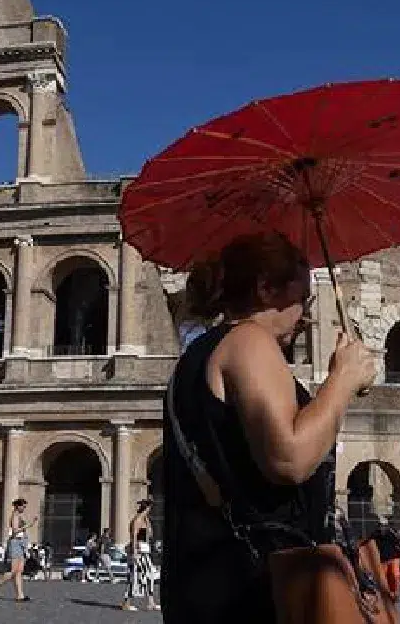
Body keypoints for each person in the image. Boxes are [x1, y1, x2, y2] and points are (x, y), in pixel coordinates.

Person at [161, 232, 376, 623]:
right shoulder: (249, 342)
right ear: (265, 288)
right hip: (260, 588)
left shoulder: (195, 358)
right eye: (301, 298)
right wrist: (341, 381)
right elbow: (289, 458)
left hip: (204, 587)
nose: (306, 313)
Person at [0, 498, 32, 602]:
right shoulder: (15, 515)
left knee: (19, 571)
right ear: (18, 506)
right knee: (12, 571)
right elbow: (15, 531)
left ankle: (20, 595)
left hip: (20, 544)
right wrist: (28, 525)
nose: (24, 508)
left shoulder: (19, 516)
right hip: (15, 543)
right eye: (23, 506)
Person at [123, 499, 161, 612]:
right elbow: (134, 536)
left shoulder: (145, 520)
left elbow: (150, 535)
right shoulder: (137, 520)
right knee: (134, 577)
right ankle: (127, 602)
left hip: (145, 551)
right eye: (150, 508)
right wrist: (134, 551)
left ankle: (151, 602)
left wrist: (148, 524)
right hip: (139, 552)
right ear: (147, 508)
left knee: (149, 576)